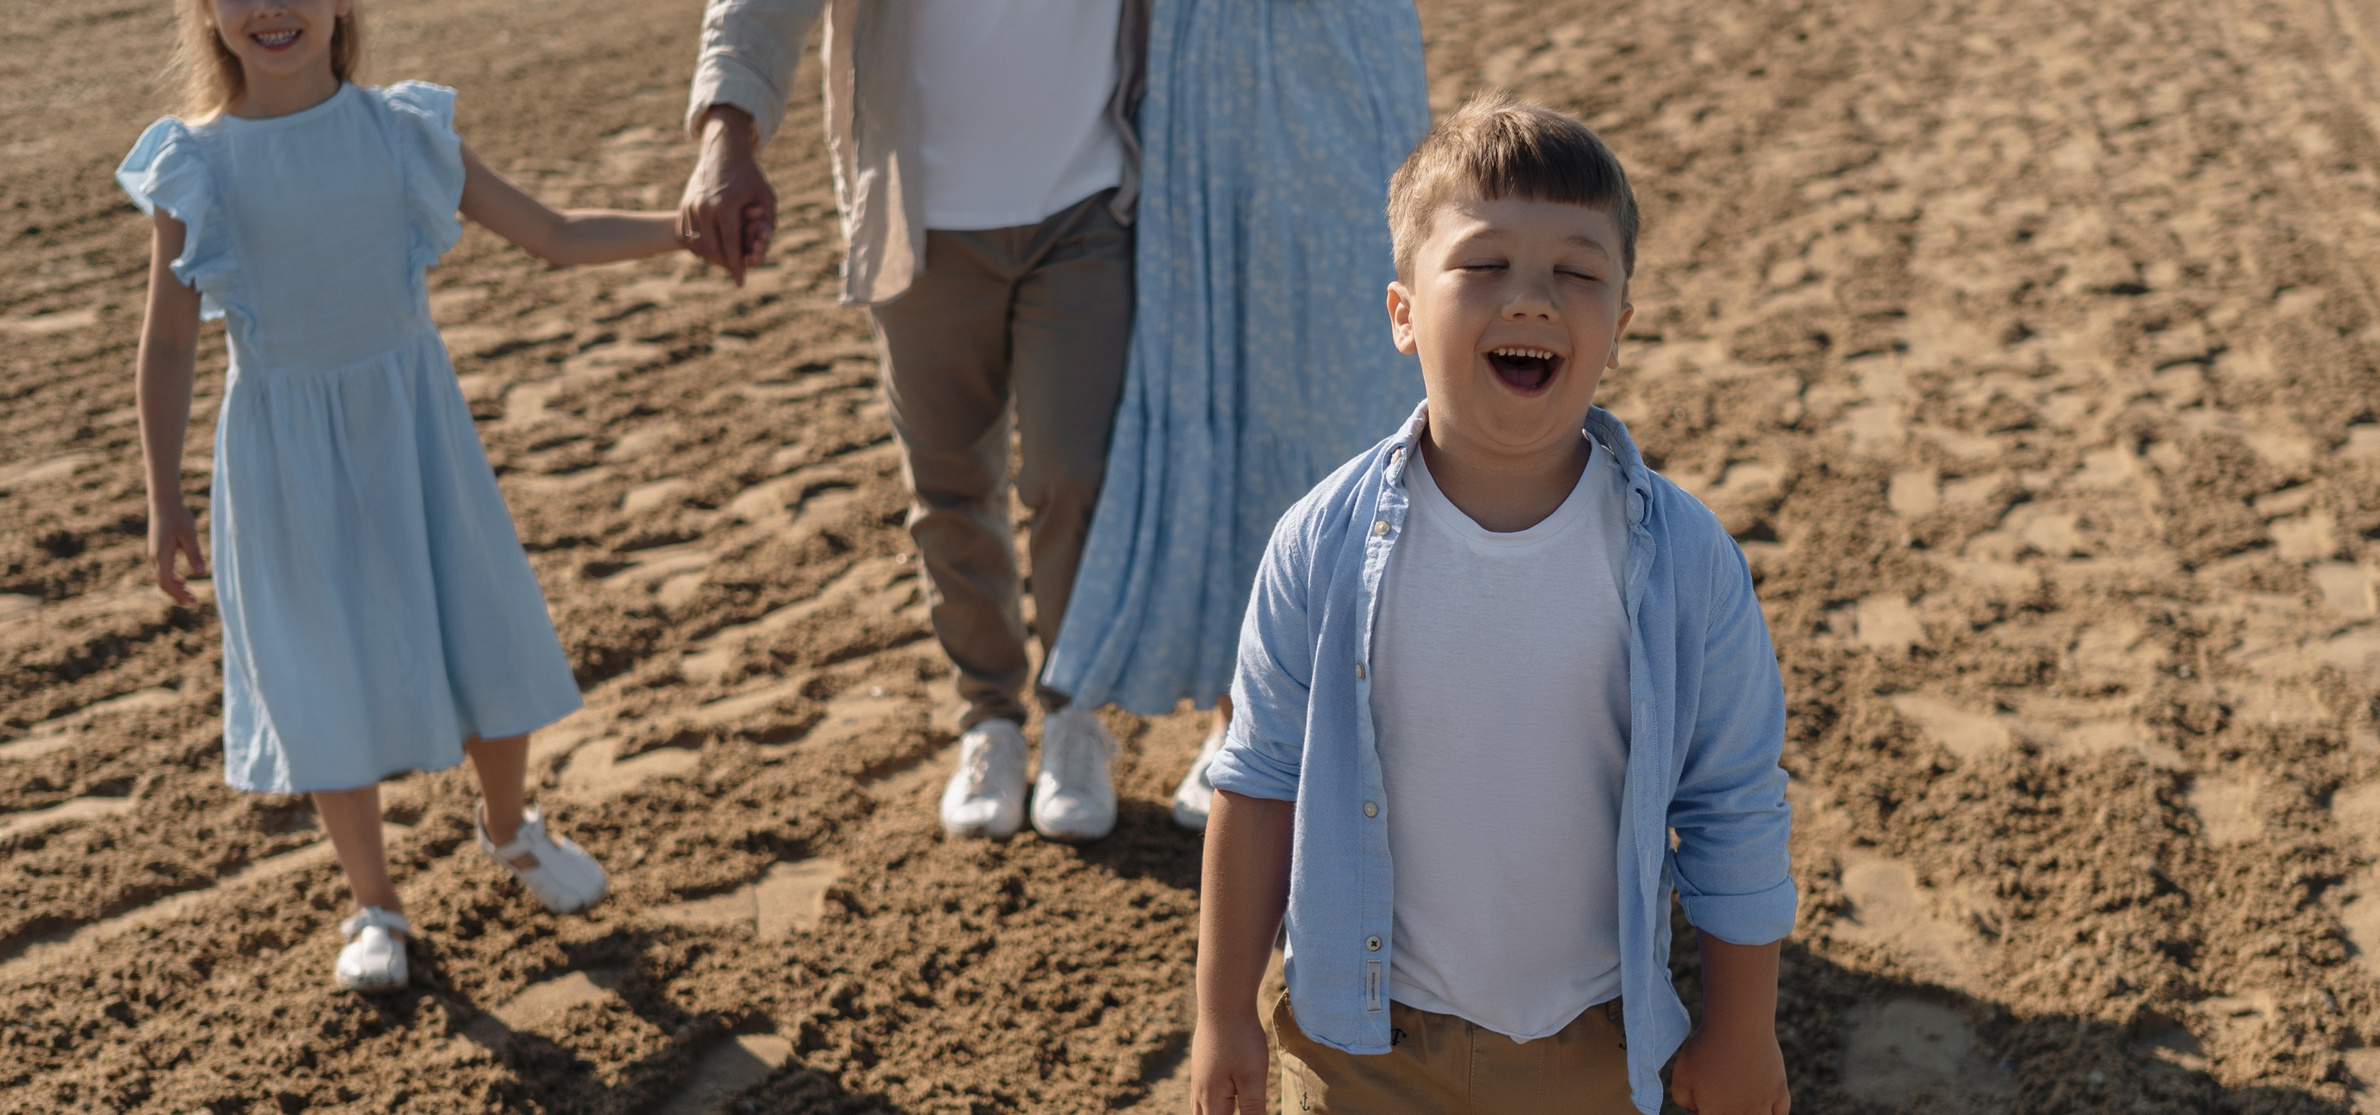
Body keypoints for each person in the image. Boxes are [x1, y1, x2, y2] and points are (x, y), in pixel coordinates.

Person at [1187, 98, 1798, 1115]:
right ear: (1407, 313)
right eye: (1487, 264)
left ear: (1620, 318)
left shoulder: (1676, 558)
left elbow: (1734, 800)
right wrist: (1218, 1018)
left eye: (1576, 270)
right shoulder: (1325, 543)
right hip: (1363, 1023)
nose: (1533, 297)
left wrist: (1738, 1022)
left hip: (1586, 1031)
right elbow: (1251, 786)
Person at [126, 0, 688, 993]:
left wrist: (686, 230)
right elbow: (169, 343)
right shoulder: (195, 165)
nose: (272, 8)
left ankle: (511, 829)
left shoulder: (401, 133)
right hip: (281, 458)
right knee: (317, 670)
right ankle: (374, 905)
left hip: (414, 434)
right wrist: (164, 497)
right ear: (206, 13)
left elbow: (553, 234)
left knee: (482, 628)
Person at [681, 0, 1148, 842]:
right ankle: (991, 720)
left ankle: (1078, 716)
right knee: (949, 485)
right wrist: (727, 130)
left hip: (1090, 204)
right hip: (916, 210)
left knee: (1075, 474)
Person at [1037, 0, 1427, 831]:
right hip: (1204, 57)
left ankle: (1287, 717)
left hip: (1343, 45)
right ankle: (1234, 710)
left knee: (1340, 388)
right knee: (1219, 372)